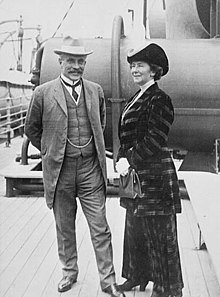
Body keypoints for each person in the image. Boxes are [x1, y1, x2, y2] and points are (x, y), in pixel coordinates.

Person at [25, 36, 125, 297]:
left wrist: (88, 148)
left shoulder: (95, 91)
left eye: (80, 61)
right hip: (60, 170)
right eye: (70, 61)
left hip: (91, 168)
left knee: (100, 227)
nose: (76, 66)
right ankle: (69, 272)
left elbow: (99, 123)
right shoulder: (43, 93)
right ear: (60, 62)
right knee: (65, 226)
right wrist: (50, 150)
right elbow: (32, 129)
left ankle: (108, 280)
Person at [116, 43, 184, 297]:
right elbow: (129, 137)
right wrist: (124, 160)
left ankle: (167, 287)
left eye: (139, 66)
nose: (134, 70)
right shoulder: (137, 97)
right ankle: (137, 276)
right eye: (132, 66)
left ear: (154, 70)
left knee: (159, 233)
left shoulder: (159, 98)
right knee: (135, 229)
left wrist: (130, 159)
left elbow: (156, 138)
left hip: (155, 176)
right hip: (137, 177)